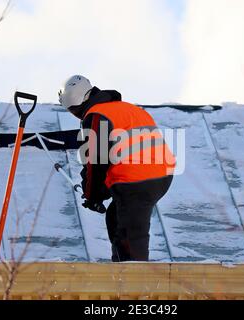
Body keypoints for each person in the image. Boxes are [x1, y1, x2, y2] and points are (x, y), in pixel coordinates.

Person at [58, 75, 175, 262]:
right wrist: (99, 193)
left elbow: (96, 162)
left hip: (136, 178)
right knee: (115, 216)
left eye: (72, 110)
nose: (75, 115)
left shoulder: (96, 115)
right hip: (162, 176)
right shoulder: (126, 109)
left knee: (129, 231)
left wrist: (93, 195)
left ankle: (135, 280)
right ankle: (124, 267)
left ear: (76, 103)